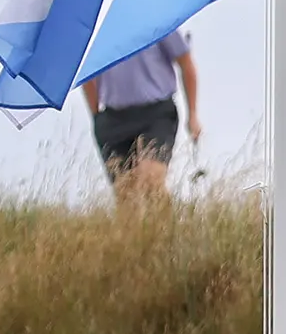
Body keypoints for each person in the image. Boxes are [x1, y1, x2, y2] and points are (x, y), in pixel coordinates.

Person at [82, 27, 200, 205]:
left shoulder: (157, 19)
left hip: (155, 114)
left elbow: (185, 62)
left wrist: (193, 114)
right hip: (113, 117)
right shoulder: (98, 26)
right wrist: (96, 117)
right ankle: (137, 233)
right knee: (125, 194)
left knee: (151, 181)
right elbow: (87, 72)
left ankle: (167, 232)